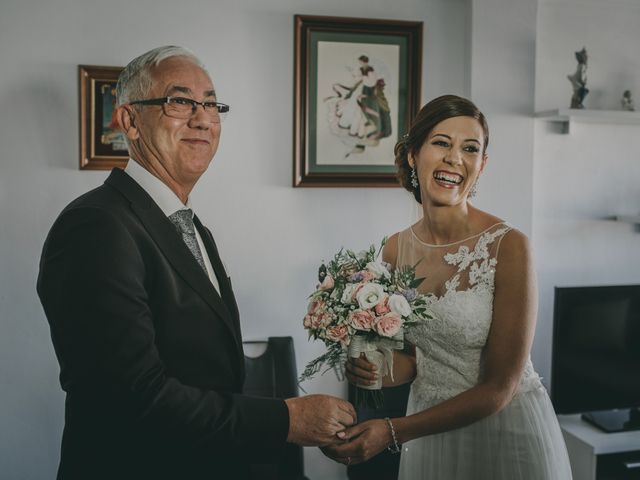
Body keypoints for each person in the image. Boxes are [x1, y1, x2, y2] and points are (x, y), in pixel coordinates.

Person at [37, 46, 355, 480]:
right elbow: (132, 399)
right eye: (179, 101)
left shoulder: (186, 223)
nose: (202, 118)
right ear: (129, 121)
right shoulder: (95, 226)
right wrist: (286, 421)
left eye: (211, 104)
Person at [323, 95, 573, 479]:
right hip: (431, 435)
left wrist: (392, 431)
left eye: (470, 149)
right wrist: (372, 369)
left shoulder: (509, 246)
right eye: (441, 142)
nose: (455, 158)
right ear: (412, 155)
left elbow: (499, 388)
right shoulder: (394, 249)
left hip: (505, 431)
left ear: (481, 165)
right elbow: (412, 360)